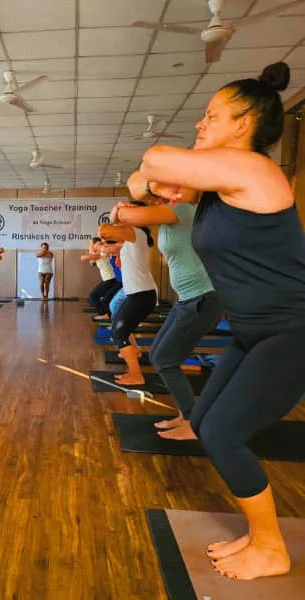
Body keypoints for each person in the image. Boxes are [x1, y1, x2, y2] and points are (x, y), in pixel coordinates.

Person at [139, 62, 304, 581]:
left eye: (211, 116)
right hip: (253, 332)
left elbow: (152, 161)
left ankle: (272, 547)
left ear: (244, 124)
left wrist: (160, 177)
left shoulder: (253, 169)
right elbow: (141, 181)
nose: (200, 125)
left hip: (293, 331)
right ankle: (258, 535)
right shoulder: (219, 185)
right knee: (206, 425)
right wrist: (159, 183)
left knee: (225, 432)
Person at [110, 179, 223, 440]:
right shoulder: (168, 215)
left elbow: (126, 215)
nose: (160, 197)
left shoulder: (181, 208)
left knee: (165, 359)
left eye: (165, 191)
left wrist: (120, 210)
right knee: (159, 353)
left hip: (202, 297)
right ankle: (187, 415)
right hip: (187, 299)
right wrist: (123, 212)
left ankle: (192, 421)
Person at [98, 211, 158, 385]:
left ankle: (136, 375)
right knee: (118, 324)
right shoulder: (130, 240)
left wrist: (117, 216)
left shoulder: (137, 233)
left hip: (142, 294)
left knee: (119, 331)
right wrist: (104, 247)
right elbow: (111, 245)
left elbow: (104, 229)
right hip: (137, 293)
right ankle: (135, 355)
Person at [81, 237, 122, 321]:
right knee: (97, 298)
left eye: (90, 244)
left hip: (111, 279)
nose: (89, 246)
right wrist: (91, 254)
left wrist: (91, 253)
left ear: (97, 244)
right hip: (108, 279)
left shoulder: (102, 252)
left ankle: (105, 314)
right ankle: (106, 314)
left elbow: (83, 258)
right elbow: (92, 263)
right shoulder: (98, 253)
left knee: (93, 296)